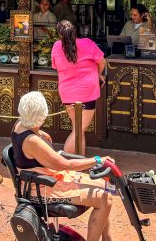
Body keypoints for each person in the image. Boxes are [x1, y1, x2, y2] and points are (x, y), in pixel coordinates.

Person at [12, 91, 114, 241]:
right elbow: (66, 164)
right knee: (105, 198)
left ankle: (107, 239)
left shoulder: (19, 124)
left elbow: (29, 128)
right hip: (41, 188)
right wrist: (97, 160)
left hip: (39, 179)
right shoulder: (32, 141)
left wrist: (40, 132)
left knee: (105, 186)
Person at [51, 20, 107, 156]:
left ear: (59, 34)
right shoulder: (87, 43)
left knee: (78, 128)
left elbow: (55, 66)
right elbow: (102, 61)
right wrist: (99, 74)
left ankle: (79, 160)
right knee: (79, 130)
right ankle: (66, 161)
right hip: (86, 91)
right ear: (74, 31)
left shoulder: (56, 46)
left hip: (67, 92)